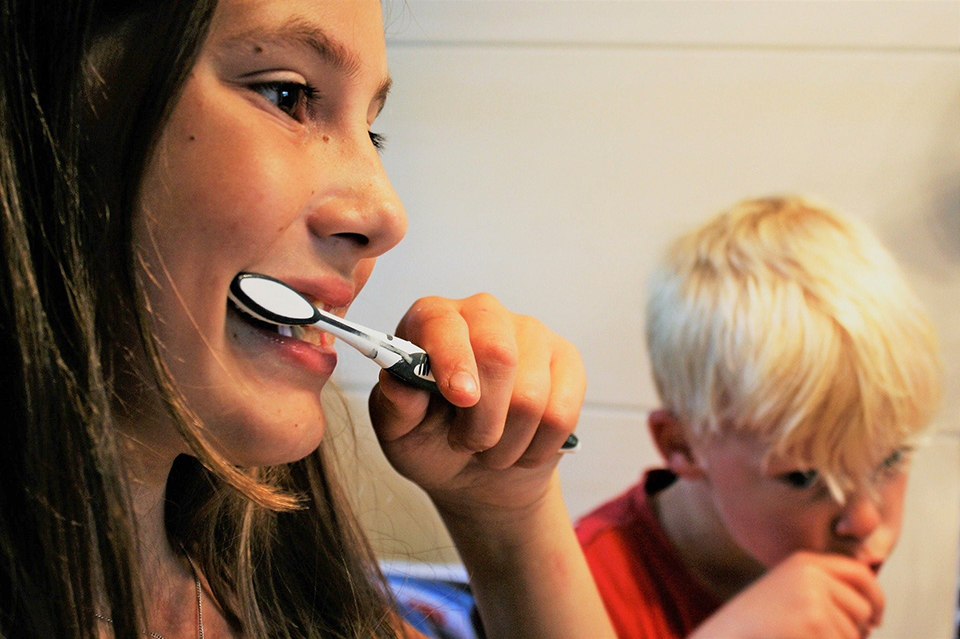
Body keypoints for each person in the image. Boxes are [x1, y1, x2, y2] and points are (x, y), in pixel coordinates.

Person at [0, 1, 615, 637]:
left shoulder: (291, 595)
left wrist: (509, 524)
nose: (386, 215)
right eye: (286, 94)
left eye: (372, 132)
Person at [576, 196, 942, 639]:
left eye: (892, 459)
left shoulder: (819, 563)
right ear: (682, 445)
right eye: (806, 477)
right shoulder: (581, 592)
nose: (865, 521)